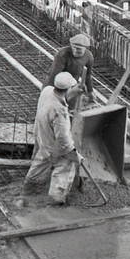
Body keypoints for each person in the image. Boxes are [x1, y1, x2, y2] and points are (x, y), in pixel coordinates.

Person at [21, 71, 80, 205]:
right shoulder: (60, 112)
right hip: (53, 146)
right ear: (68, 88)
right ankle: (55, 200)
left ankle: (27, 190)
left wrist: (74, 92)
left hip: (43, 139)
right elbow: (64, 142)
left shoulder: (47, 91)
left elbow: (60, 96)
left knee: (40, 163)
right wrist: (75, 156)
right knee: (66, 165)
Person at [46, 34, 95, 109]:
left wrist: (90, 91)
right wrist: (51, 95)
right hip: (58, 84)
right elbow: (54, 75)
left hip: (71, 85)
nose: (75, 51)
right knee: (55, 106)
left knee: (70, 108)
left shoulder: (88, 57)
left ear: (85, 48)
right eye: (74, 48)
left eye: (79, 49)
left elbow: (88, 75)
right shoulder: (62, 54)